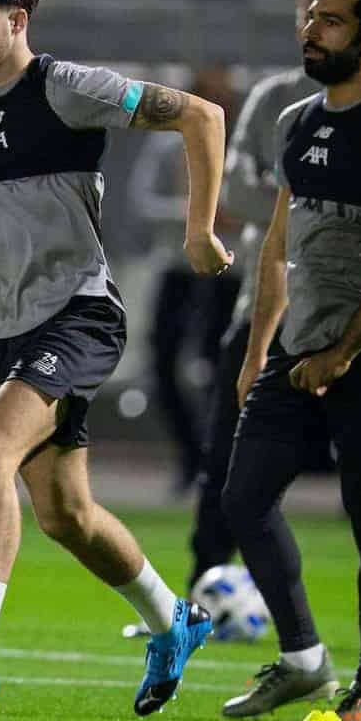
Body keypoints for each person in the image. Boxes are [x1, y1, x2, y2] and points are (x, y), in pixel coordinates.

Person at [0, 0, 231, 716]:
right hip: (14, 326)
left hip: (79, 313)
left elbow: (203, 117)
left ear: (18, 20)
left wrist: (199, 229)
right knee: (65, 516)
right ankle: (172, 621)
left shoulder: (68, 88)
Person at [168, 0, 361, 654]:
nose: (310, 26)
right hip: (283, 333)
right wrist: (256, 353)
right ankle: (261, 635)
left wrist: (343, 352)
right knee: (234, 484)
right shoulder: (288, 113)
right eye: (310, 13)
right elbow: (274, 243)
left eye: (329, 18)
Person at [129, 62, 243, 495]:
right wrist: (197, 217)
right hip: (177, 268)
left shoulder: (242, 149)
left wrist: (225, 223)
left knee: (221, 366)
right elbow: (142, 201)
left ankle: (219, 461)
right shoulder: (166, 146)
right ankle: (190, 454)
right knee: (162, 362)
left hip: (227, 269)